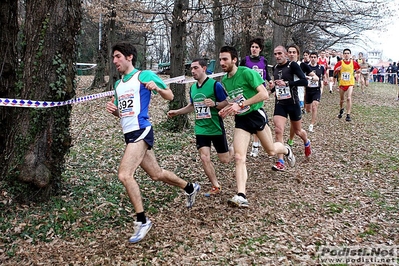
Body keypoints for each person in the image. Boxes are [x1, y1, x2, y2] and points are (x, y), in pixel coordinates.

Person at [106, 41, 200, 244]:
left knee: (124, 174)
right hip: (129, 133)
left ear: (129, 57)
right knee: (157, 174)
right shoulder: (118, 84)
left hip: (142, 130)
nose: (115, 61)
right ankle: (190, 187)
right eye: (114, 57)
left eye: (118, 56)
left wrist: (156, 87)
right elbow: (125, 113)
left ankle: (142, 221)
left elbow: (170, 95)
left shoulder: (144, 75)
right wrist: (116, 113)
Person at [218, 45, 295, 207]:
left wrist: (241, 104)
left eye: (225, 59)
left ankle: (286, 150)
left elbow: (264, 94)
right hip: (242, 121)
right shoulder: (225, 80)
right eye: (220, 59)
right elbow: (235, 99)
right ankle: (241, 195)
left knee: (271, 151)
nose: (222, 62)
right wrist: (228, 108)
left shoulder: (247, 73)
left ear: (234, 59)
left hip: (256, 116)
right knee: (239, 157)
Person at [167, 58, 232, 197]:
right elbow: (192, 106)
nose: (192, 71)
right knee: (204, 157)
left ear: (204, 68)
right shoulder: (192, 88)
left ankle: (234, 149)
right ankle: (215, 185)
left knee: (225, 160)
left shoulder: (215, 85)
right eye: (191, 69)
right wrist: (177, 112)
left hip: (215, 127)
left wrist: (214, 104)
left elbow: (227, 102)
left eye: (195, 68)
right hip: (201, 129)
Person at [270, 45, 311, 171]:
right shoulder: (275, 68)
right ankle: (280, 161)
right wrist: (270, 89)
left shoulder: (292, 65)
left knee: (298, 131)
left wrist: (288, 83)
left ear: (285, 54)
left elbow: (304, 82)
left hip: (293, 103)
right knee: (278, 130)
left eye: (279, 54)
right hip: (280, 103)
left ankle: (307, 142)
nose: (277, 56)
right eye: (275, 54)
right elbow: (277, 85)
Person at [240, 37, 274, 157]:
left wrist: (270, 81)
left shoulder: (263, 61)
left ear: (260, 49)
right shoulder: (245, 60)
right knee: (252, 115)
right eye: (252, 47)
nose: (254, 49)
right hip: (248, 92)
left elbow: (266, 73)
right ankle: (258, 139)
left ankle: (255, 144)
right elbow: (239, 74)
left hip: (260, 91)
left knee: (255, 114)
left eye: (256, 47)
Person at [286, 44, 318, 145]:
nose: (291, 54)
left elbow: (316, 77)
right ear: (287, 54)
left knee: (294, 123)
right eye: (290, 52)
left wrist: (308, 78)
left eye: (294, 52)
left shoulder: (302, 65)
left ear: (298, 54)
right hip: (284, 97)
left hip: (298, 97)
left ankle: (291, 141)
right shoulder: (284, 65)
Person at [333, 48, 360, 122]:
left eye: (348, 53)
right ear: (343, 55)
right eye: (345, 53)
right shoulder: (339, 63)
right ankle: (341, 109)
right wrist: (337, 70)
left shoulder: (353, 62)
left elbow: (358, 69)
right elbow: (334, 74)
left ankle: (348, 115)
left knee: (348, 98)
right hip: (342, 83)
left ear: (350, 55)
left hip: (350, 83)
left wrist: (357, 71)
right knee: (342, 100)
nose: (346, 55)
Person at [305, 51, 325, 132]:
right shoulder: (306, 67)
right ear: (310, 58)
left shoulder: (321, 68)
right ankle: (307, 111)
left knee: (314, 106)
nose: (313, 59)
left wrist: (322, 87)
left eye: (314, 57)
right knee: (308, 109)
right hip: (308, 90)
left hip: (316, 90)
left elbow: (322, 78)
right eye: (312, 57)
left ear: (317, 58)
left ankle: (311, 124)